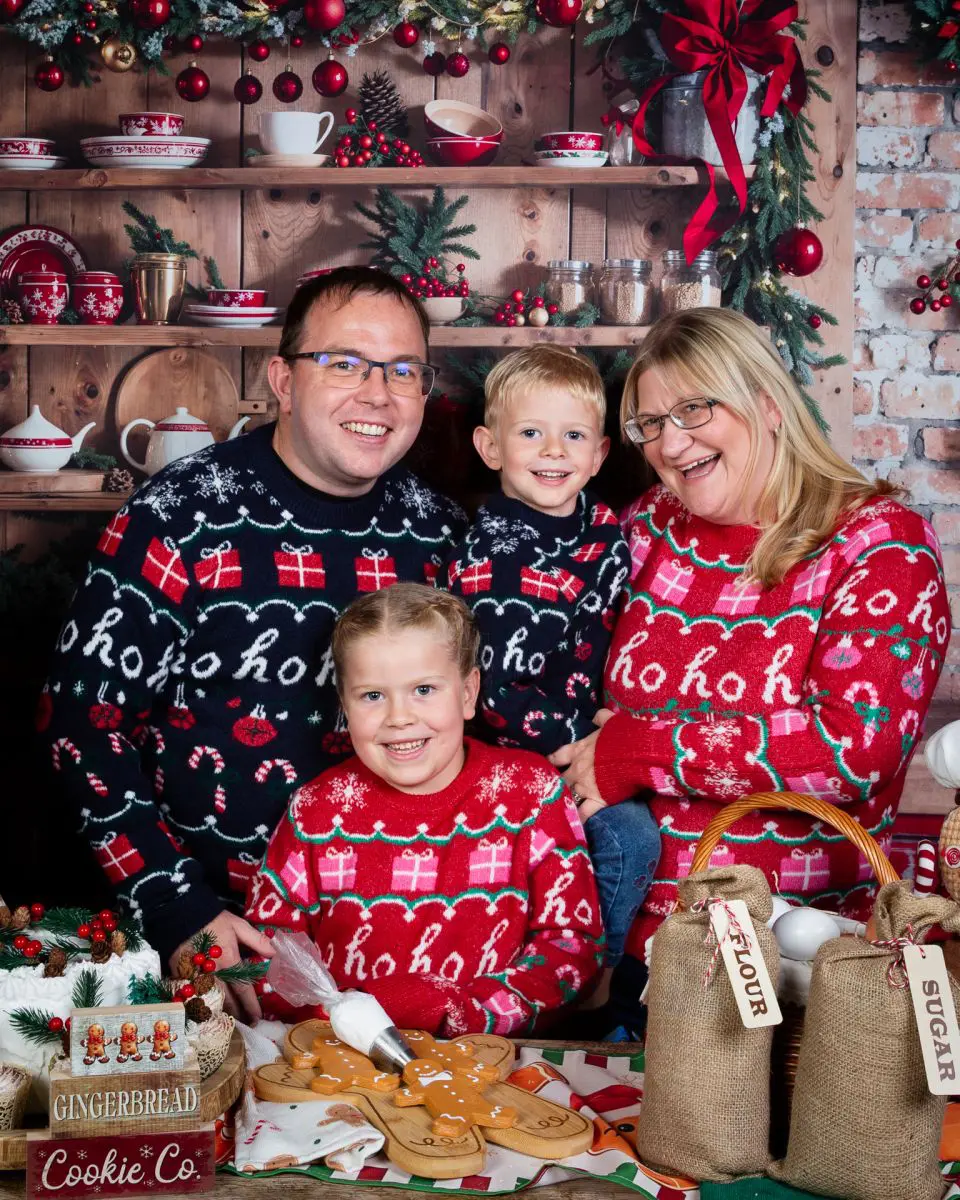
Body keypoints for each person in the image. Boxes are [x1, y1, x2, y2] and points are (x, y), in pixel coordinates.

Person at [43, 267, 467, 1014]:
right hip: (222, 937)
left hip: (407, 939)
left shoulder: (441, 535)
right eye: (344, 363)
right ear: (283, 378)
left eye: (404, 370)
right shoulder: (177, 517)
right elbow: (83, 727)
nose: (378, 393)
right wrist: (178, 910)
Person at [551, 306, 951, 967]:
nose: (670, 444)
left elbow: (850, 750)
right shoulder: (648, 525)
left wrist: (637, 751)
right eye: (650, 424)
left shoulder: (881, 546)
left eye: (694, 410)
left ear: (767, 405)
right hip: (616, 934)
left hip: (790, 952)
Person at [246, 584, 604, 1036]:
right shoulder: (316, 810)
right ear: (343, 704)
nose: (399, 716)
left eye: (423, 689)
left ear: (469, 691)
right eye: (372, 696)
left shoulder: (529, 792)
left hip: (493, 1058)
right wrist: (343, 1019)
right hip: (344, 1060)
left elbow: (571, 946)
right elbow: (267, 955)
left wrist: (466, 1010)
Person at [446, 345, 659, 1004]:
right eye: (530, 433)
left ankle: (595, 970)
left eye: (571, 436)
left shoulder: (602, 528)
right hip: (515, 757)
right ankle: (587, 987)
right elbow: (499, 691)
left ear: (597, 455)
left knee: (632, 836)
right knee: (626, 837)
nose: (552, 451)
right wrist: (590, 745)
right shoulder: (494, 561)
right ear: (491, 447)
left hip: (589, 745)